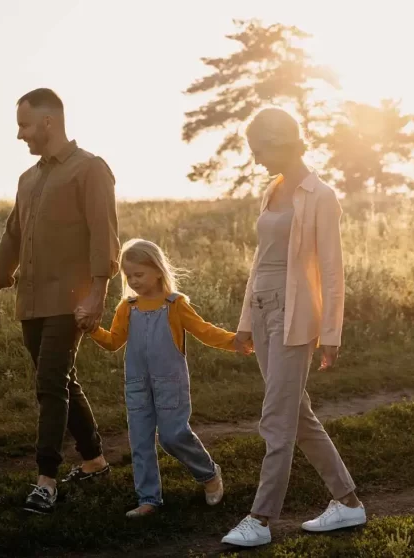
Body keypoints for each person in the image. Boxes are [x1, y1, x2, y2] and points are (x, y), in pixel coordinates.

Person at [221, 108, 364, 547]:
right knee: (296, 415)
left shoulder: (320, 195)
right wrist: (246, 322)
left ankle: (261, 519)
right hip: (263, 310)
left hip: (293, 315)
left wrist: (332, 334)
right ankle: (348, 503)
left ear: (279, 141)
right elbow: (259, 262)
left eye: (258, 148)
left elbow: (332, 271)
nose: (256, 158)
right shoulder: (271, 190)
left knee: (276, 418)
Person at [0, 88, 119, 514]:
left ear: (48, 122)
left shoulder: (90, 169)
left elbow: (104, 234)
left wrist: (98, 294)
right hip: (32, 300)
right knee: (59, 380)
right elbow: (12, 238)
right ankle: (94, 459)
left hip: (71, 299)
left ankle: (46, 479)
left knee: (49, 385)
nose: (20, 135)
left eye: (24, 125)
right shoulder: (29, 179)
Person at [86, 238, 249, 518]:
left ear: (158, 270)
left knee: (173, 436)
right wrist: (91, 329)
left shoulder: (175, 305)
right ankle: (148, 498)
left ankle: (209, 473)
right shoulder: (127, 307)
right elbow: (114, 342)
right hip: (137, 385)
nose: (134, 281)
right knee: (140, 441)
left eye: (140, 274)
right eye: (129, 276)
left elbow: (204, 330)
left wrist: (235, 341)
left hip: (170, 382)